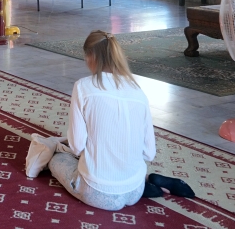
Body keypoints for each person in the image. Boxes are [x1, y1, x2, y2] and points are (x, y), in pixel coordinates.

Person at [49, 30, 156, 211]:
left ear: (91, 57)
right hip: (135, 190)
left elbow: (76, 146)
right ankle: (151, 180)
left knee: (56, 159)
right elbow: (149, 153)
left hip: (96, 190)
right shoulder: (138, 91)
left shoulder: (83, 87)